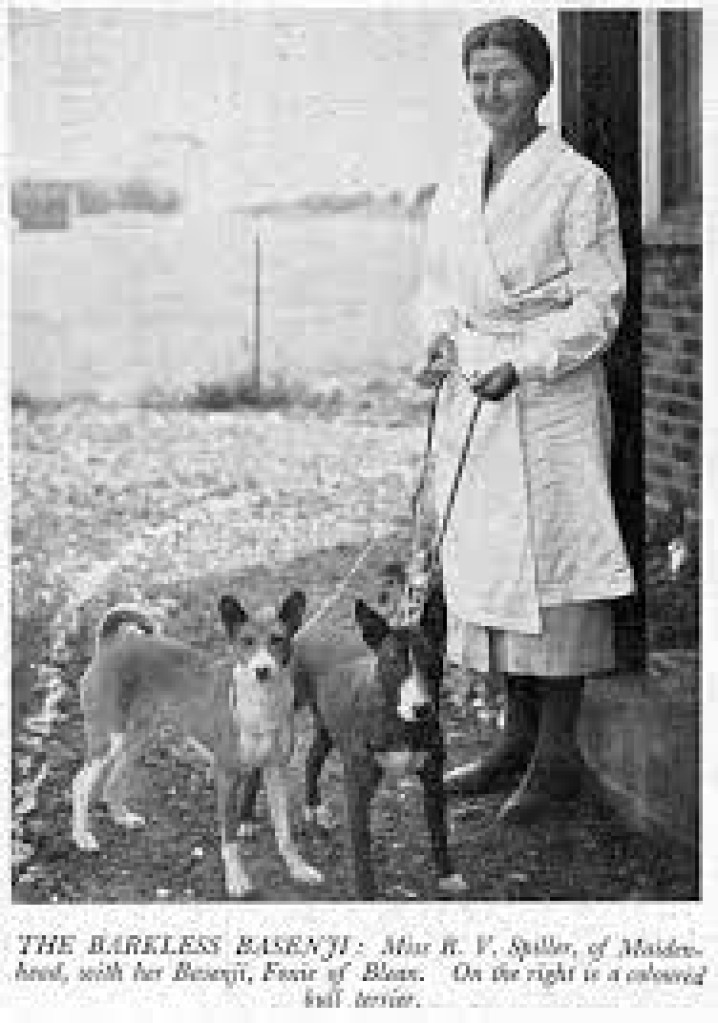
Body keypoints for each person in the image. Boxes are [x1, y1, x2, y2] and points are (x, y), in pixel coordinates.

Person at [414, 17, 635, 822]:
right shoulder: (456, 178)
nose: (490, 92)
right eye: (477, 76)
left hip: (548, 396)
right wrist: (437, 343)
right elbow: (438, 284)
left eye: (505, 75)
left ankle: (558, 754)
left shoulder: (578, 182)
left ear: (539, 83)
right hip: (475, 387)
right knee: (489, 563)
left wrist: (531, 358)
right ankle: (514, 735)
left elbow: (599, 301)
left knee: (554, 563)